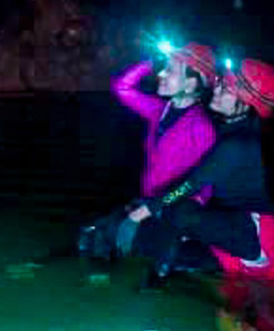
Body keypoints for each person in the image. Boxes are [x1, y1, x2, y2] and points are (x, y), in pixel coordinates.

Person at [119, 58, 274, 283]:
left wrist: (139, 214)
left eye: (226, 88)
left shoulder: (237, 144)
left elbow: (190, 184)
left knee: (179, 210)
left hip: (254, 234)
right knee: (147, 242)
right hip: (230, 237)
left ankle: (158, 275)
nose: (216, 89)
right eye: (219, 83)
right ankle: (172, 261)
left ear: (246, 102)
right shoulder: (230, 131)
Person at [76, 42, 218, 259]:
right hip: (147, 203)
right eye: (163, 68)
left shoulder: (201, 128)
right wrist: (149, 63)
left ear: (190, 84)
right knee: (90, 237)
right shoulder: (158, 110)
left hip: (171, 212)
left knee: (120, 246)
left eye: (170, 70)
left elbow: (204, 187)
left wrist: (174, 220)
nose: (161, 74)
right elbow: (122, 88)